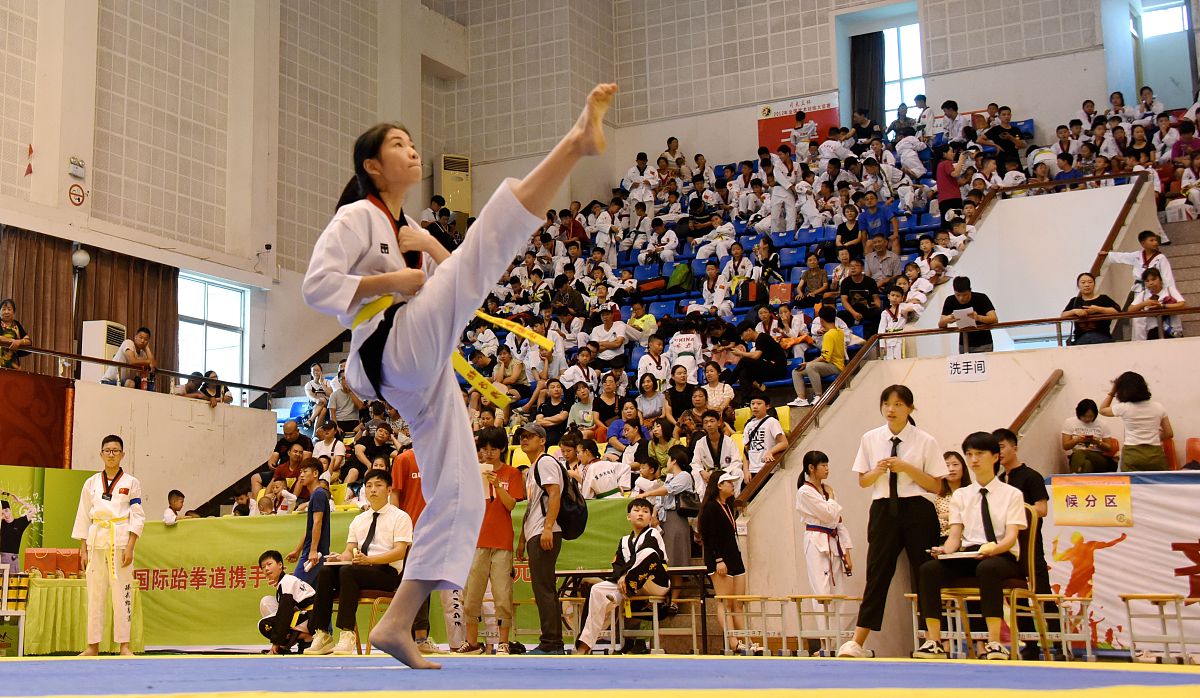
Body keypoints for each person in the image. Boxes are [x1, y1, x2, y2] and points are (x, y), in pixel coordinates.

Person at [302, 84, 615, 670]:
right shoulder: (354, 218)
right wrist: (394, 282)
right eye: (400, 144)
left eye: (413, 141)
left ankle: (397, 623)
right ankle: (575, 143)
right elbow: (317, 287)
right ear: (373, 166)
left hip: (420, 370)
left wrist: (425, 245)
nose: (413, 150)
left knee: (463, 490)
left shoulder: (405, 228)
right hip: (390, 348)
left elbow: (463, 283)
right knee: (486, 243)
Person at [838, 385, 946, 658]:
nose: (891, 409)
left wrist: (907, 467)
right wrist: (878, 470)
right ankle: (857, 641)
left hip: (918, 509)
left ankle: (933, 640)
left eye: (898, 404)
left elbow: (936, 486)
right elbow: (863, 481)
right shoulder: (871, 438)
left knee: (924, 573)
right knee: (877, 573)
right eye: (887, 403)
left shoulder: (925, 440)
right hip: (883, 509)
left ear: (910, 408)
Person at [912, 431, 1027, 661]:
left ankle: (994, 642)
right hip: (969, 554)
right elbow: (955, 536)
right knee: (928, 570)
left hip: (1001, 556)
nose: (974, 459)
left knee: (988, 568)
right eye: (969, 454)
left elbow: (1011, 537)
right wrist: (945, 551)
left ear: (995, 457)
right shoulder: (962, 495)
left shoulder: (1012, 494)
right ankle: (934, 640)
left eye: (980, 453)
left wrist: (994, 549)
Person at [306, 469, 412, 655]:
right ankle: (322, 633)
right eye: (369, 486)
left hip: (387, 573)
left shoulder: (400, 517)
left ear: (388, 490)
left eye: (378, 485)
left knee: (349, 572)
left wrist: (369, 560)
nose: (373, 490)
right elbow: (349, 551)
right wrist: (338, 558)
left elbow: (400, 552)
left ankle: (347, 634)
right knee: (326, 571)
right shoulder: (358, 520)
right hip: (360, 569)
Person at [71, 435, 145, 656]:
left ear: (123, 454)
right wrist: (83, 547)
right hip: (95, 541)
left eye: (115, 450)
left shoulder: (131, 482)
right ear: (101, 454)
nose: (111, 454)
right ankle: (92, 645)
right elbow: (83, 515)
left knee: (122, 592)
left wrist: (131, 545)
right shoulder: (91, 483)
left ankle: (124, 645)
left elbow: (137, 515)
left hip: (120, 540)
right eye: (107, 450)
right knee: (95, 594)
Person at [455, 428, 525, 655]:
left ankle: (503, 642)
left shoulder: (512, 473)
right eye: (484, 449)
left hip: (502, 542)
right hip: (476, 540)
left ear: (502, 449)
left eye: (493, 449)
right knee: (472, 593)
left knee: (502, 594)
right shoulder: (471, 474)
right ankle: (472, 642)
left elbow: (511, 505)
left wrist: (496, 485)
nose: (488, 453)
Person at [574, 497, 671, 654]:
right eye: (637, 510)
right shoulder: (624, 541)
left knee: (648, 553)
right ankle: (584, 645)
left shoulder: (654, 533)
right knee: (597, 590)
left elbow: (644, 556)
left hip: (655, 582)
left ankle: (623, 590)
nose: (641, 514)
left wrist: (625, 575)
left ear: (650, 518)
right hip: (629, 584)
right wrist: (621, 576)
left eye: (646, 512)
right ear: (628, 516)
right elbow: (617, 564)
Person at [795, 451, 854, 654]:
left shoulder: (827, 491)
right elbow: (828, 513)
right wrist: (833, 498)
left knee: (838, 592)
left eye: (828, 465)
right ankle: (825, 643)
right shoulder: (805, 491)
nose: (827, 468)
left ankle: (838, 641)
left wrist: (847, 550)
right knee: (821, 593)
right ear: (811, 468)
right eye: (823, 465)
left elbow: (838, 521)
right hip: (816, 540)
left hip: (833, 540)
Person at [514, 423, 565, 654]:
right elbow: (531, 506)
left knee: (544, 588)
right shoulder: (534, 466)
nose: (524, 440)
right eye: (522, 437)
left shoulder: (545, 462)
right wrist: (523, 539)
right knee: (543, 587)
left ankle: (551, 642)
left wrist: (547, 528)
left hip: (545, 531)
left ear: (542, 440)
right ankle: (553, 641)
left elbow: (555, 493)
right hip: (536, 531)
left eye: (530, 436)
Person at [698, 471, 755, 653]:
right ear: (719, 486)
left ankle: (747, 639)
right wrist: (718, 560)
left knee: (738, 602)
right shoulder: (710, 508)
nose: (732, 485)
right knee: (724, 601)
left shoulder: (728, 506)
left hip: (734, 556)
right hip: (720, 559)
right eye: (728, 482)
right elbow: (709, 536)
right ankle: (733, 641)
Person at [1100, 371, 1173, 471]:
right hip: (1155, 455)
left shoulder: (1124, 407)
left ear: (1121, 390)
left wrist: (1112, 392)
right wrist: (1155, 437)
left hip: (1132, 454)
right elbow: (1169, 433)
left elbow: (1102, 410)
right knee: (1157, 485)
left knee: (1132, 485)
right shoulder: (1158, 407)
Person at [256, 550, 317, 654]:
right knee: (266, 602)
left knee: (263, 625)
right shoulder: (285, 581)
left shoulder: (287, 582)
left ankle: (307, 637)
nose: (266, 569)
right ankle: (289, 643)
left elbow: (284, 614)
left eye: (269, 564)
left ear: (280, 565)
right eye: (263, 567)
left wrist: (276, 643)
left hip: (312, 620)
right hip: (305, 615)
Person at [285, 459, 331, 584]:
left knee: (293, 590)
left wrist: (313, 550)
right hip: (312, 552)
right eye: (300, 472)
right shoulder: (316, 495)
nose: (301, 475)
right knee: (312, 596)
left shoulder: (318, 494)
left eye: (305, 471)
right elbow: (310, 529)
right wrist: (297, 550)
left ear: (315, 474)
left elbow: (317, 522)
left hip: (314, 554)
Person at [790, 305, 844, 407]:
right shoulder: (839, 331)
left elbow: (825, 357)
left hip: (836, 366)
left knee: (811, 366)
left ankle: (819, 396)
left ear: (821, 320)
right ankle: (801, 399)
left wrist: (808, 363)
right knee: (796, 372)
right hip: (830, 364)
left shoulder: (829, 335)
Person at [938, 276, 998, 353]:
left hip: (984, 342)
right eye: (958, 295)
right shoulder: (950, 300)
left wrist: (978, 317)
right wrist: (948, 319)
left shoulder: (981, 298)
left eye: (965, 295)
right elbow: (941, 324)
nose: (961, 298)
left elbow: (994, 319)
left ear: (970, 291)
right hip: (964, 343)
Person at [1062, 399, 1119, 473]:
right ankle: (1080, 477)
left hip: (1098, 457)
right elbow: (1066, 446)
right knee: (1087, 464)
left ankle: (1075, 476)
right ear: (1079, 413)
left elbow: (1109, 448)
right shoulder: (1069, 422)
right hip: (1078, 457)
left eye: (1091, 416)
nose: (1087, 419)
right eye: (1084, 416)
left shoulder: (1102, 424)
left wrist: (1096, 442)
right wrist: (1077, 440)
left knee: (1080, 453)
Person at [1128, 267, 1186, 341]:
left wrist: (1163, 306)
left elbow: (1182, 304)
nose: (1151, 283)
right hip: (1153, 331)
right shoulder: (1143, 294)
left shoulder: (1169, 290)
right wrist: (1145, 303)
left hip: (1172, 330)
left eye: (1154, 279)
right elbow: (1130, 309)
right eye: (1147, 281)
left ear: (1160, 279)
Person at [1061, 272, 1120, 344]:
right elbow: (1063, 315)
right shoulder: (1074, 301)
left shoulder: (1104, 298)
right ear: (1078, 285)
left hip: (1103, 336)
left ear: (1094, 284)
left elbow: (1117, 311)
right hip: (1080, 338)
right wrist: (1074, 311)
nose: (1087, 285)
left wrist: (1097, 309)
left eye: (1090, 282)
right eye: (1083, 282)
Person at [742, 392, 788, 484]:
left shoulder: (772, 422)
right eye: (752, 403)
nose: (755, 406)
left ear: (767, 406)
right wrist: (746, 471)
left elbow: (784, 443)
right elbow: (746, 450)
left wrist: (770, 452)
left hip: (768, 468)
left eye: (759, 404)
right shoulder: (748, 425)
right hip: (752, 470)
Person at [934, 452, 971, 541]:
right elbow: (935, 522)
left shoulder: (972, 493)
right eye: (947, 465)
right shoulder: (936, 495)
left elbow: (973, 519)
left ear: (963, 467)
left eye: (955, 464)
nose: (951, 469)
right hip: (942, 540)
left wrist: (945, 516)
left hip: (968, 540)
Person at [0, 494, 35, 573]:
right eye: (2, 513)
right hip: (1, 559)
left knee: (13, 584)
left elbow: (33, 510)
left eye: (6, 511)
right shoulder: (1, 524)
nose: (6, 515)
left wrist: (20, 501)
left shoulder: (19, 523)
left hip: (13, 560)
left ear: (10, 509)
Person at [0, 298, 31, 370]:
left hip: (14, 365)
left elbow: (28, 341)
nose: (6, 312)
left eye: (9, 309)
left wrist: (19, 342)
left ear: (13, 312)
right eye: (4, 309)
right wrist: (12, 341)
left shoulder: (16, 324)